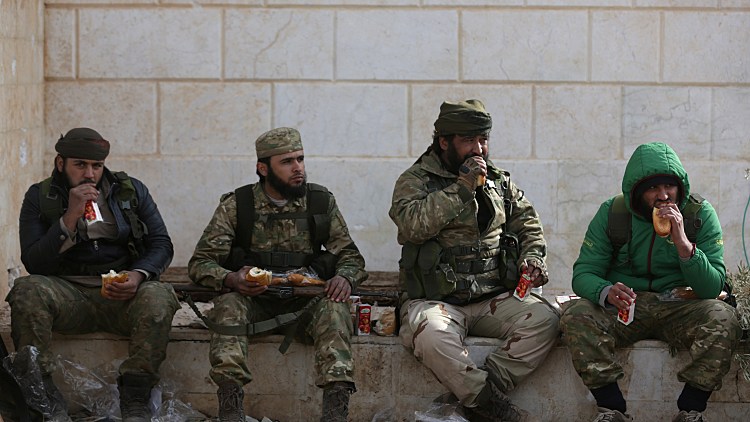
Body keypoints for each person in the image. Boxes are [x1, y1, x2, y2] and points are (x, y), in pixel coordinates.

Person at [389, 99, 560, 422]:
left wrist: (533, 258)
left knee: (547, 319)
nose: (478, 149)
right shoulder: (416, 180)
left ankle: (476, 397)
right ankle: (492, 407)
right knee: (430, 335)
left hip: (492, 298)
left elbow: (528, 226)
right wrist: (462, 188)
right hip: (436, 300)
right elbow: (411, 226)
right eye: (469, 140)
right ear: (444, 142)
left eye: (483, 140)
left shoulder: (498, 181)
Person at [187, 127, 368, 422]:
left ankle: (336, 412)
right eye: (286, 162)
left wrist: (345, 278)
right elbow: (201, 262)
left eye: (300, 159)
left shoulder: (320, 201)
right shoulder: (238, 205)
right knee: (229, 306)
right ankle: (231, 409)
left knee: (335, 309)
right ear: (263, 168)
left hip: (305, 305)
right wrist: (232, 279)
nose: (298, 168)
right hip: (254, 303)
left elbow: (351, 256)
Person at [559, 142, 742, 422]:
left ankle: (691, 409)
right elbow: (583, 273)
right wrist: (605, 291)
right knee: (577, 314)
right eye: (653, 188)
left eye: (670, 186)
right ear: (637, 192)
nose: (663, 196)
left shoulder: (699, 215)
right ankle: (611, 409)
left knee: (724, 317)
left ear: (680, 187)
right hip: (627, 306)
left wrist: (684, 245)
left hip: (681, 306)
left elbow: (711, 287)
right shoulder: (613, 213)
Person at [6, 128, 179, 421]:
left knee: (160, 295)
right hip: (67, 295)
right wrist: (70, 217)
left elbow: (161, 244)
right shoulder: (40, 196)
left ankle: (136, 394)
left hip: (121, 297)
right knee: (26, 290)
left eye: (96, 166)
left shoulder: (130, 191)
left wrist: (137, 276)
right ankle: (42, 398)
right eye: (80, 165)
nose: (89, 174)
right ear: (61, 163)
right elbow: (34, 261)